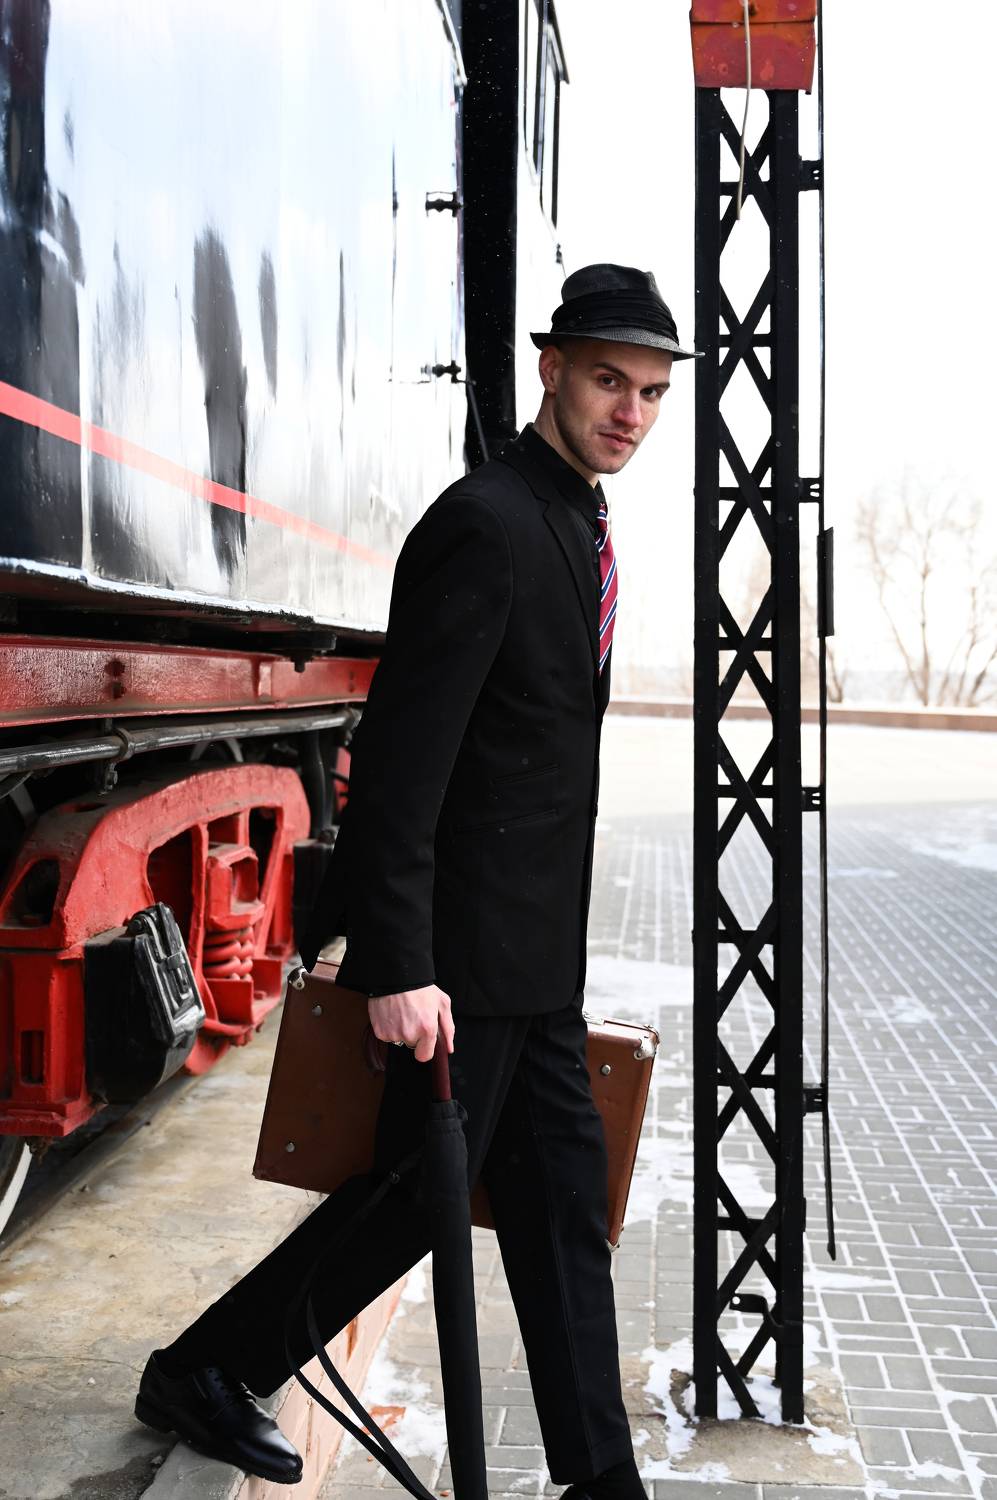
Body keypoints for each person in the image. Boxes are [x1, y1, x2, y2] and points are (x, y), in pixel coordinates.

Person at [134, 264, 697, 1498]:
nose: (631, 413)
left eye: (653, 393)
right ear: (549, 368)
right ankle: (205, 1366)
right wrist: (400, 965)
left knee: (562, 1211)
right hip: (463, 956)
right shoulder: (485, 524)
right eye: (609, 381)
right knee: (407, 1198)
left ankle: (601, 1480)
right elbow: (399, 764)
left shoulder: (576, 521)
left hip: (534, 960)